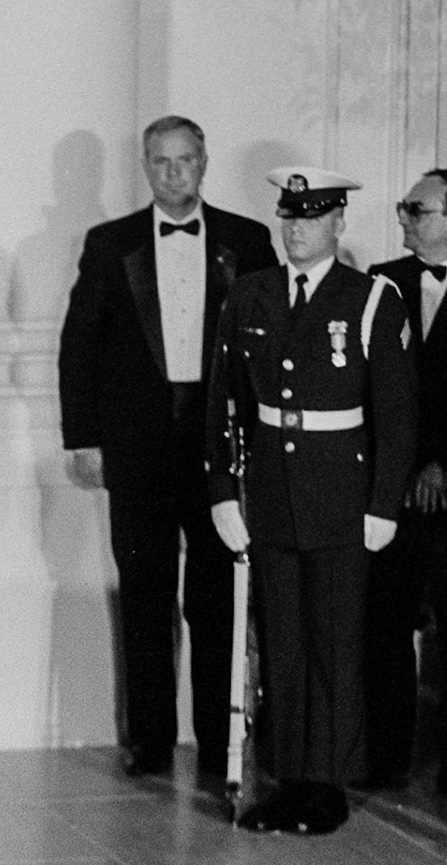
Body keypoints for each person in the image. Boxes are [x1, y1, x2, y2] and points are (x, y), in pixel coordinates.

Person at [58, 115, 279, 778]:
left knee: (214, 601)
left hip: (218, 449)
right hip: (136, 448)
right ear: (146, 167)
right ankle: (149, 743)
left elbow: (268, 349)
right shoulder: (108, 243)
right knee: (146, 596)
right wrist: (84, 439)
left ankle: (217, 743)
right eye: (161, 161)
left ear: (204, 162)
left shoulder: (248, 240)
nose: (174, 172)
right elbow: (79, 348)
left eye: (185, 160)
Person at [205, 169, 417, 835]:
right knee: (283, 642)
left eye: (311, 216)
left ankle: (327, 784)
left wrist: (384, 504)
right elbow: (224, 401)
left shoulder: (370, 299)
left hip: (339, 497)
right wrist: (222, 492)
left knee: (333, 641)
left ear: (339, 224)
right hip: (269, 491)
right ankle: (288, 779)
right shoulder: (249, 295)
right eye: (288, 215)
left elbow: (397, 415)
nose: (296, 228)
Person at [363, 169, 447, 794]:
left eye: (417, 207)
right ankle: (385, 758)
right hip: (395, 490)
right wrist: (401, 471)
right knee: (383, 624)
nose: (404, 216)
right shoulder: (382, 282)